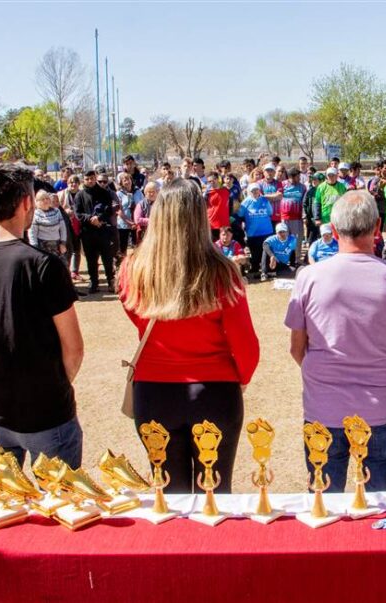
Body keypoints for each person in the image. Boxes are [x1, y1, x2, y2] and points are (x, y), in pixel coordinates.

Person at [119, 179, 259, 493]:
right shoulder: (222, 272)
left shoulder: (132, 269)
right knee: (216, 495)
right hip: (215, 390)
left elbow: (135, 315)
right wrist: (241, 378)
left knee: (170, 497)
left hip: (153, 393)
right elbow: (245, 344)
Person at [285, 190, 386, 492]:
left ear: (333, 231)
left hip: (323, 409)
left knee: (324, 506)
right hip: (381, 410)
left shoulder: (309, 277)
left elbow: (297, 349)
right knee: (385, 509)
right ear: (378, 228)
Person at [0, 164, 84, 467]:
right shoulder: (43, 266)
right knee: (61, 506)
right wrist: (52, 389)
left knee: (3, 504)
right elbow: (73, 348)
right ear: (27, 203)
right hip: (40, 411)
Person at [74, 170, 118, 293]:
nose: (90, 181)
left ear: (95, 178)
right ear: (84, 180)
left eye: (92, 178)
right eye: (87, 179)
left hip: (103, 230)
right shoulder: (80, 195)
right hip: (88, 232)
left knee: (107, 258)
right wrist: (90, 219)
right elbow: (78, 214)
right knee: (91, 259)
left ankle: (110, 281)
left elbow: (109, 210)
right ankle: (94, 282)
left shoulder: (104, 193)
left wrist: (99, 218)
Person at [238, 183, 274, 273]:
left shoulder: (265, 200)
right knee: (254, 252)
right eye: (253, 190)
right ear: (249, 192)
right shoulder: (245, 202)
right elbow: (240, 214)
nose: (255, 192)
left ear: (259, 190)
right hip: (252, 233)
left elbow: (270, 212)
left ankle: (267, 268)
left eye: (256, 190)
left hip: (266, 231)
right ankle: (255, 268)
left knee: (266, 251)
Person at [28, 189, 68, 262]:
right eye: (42, 199)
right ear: (37, 202)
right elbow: (32, 233)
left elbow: (63, 228)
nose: (45, 201)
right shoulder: (35, 214)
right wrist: (35, 248)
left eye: (47, 198)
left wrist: (63, 243)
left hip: (57, 245)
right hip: (42, 246)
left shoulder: (57, 211)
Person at [281, 168, 306, 258]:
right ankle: (285, 258)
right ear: (291, 177)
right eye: (297, 177)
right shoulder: (283, 184)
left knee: (297, 239)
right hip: (284, 217)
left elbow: (304, 202)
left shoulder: (302, 187)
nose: (299, 178)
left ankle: (297, 258)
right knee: (284, 239)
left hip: (297, 218)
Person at [116, 172, 142, 255]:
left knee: (137, 246)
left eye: (129, 179)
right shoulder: (118, 194)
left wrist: (136, 222)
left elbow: (143, 206)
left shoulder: (138, 192)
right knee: (122, 247)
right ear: (121, 183)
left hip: (137, 223)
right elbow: (119, 211)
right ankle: (121, 265)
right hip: (123, 224)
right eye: (125, 180)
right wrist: (130, 223)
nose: (127, 182)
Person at [204, 172, 230, 241]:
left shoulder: (226, 191)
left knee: (225, 245)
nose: (212, 182)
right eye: (209, 181)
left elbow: (231, 205)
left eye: (214, 179)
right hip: (212, 224)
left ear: (218, 179)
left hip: (224, 224)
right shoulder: (207, 194)